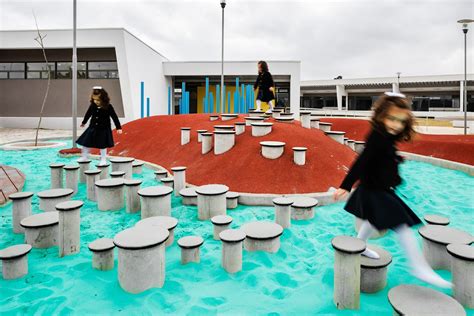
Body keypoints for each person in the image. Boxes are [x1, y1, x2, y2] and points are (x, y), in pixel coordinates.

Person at [333, 92, 451, 289]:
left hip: (381, 188)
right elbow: (362, 161)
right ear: (381, 116)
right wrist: (346, 185)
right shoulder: (377, 136)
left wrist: (394, 160)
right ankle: (419, 268)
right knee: (402, 226)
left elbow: (382, 158)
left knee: (372, 219)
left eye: (401, 121)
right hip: (374, 190)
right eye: (392, 118)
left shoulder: (387, 136)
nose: (396, 124)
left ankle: (359, 246)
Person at [77, 86, 122, 165]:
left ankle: (103, 159)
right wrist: (84, 122)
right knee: (85, 142)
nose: (96, 101)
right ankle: (84, 156)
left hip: (103, 128)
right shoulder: (92, 106)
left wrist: (118, 127)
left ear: (103, 98)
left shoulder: (108, 106)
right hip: (92, 127)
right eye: (94, 99)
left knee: (102, 145)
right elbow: (88, 114)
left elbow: (114, 117)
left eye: (98, 100)